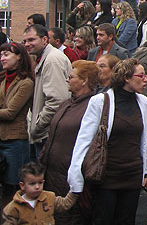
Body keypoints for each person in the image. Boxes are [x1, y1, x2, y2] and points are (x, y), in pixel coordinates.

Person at [68, 58, 147, 224]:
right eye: (141, 75)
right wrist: (75, 177)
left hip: (132, 176)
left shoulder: (144, 103)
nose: (146, 79)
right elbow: (84, 140)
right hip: (106, 177)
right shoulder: (100, 101)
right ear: (126, 78)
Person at [39, 60, 99, 224]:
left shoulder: (91, 107)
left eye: (71, 76)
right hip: (51, 175)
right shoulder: (66, 104)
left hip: (69, 178)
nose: (67, 79)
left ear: (84, 80)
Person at [0, 42, 34, 207]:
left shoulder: (25, 83)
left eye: (7, 54)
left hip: (15, 142)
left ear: (19, 57)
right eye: (1, 55)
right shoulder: (1, 79)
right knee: (1, 185)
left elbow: (10, 113)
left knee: (14, 188)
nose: (2, 58)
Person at [23, 24, 72, 158]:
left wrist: (37, 126)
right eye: (25, 41)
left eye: (32, 40)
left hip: (47, 134)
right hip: (45, 132)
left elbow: (57, 100)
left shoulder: (52, 60)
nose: (27, 44)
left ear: (44, 40)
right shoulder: (43, 58)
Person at [1, 161, 77, 224]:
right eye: (32, 184)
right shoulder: (13, 207)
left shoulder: (50, 197)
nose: (37, 187)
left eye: (40, 183)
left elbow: (65, 204)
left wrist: (75, 190)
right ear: (22, 185)